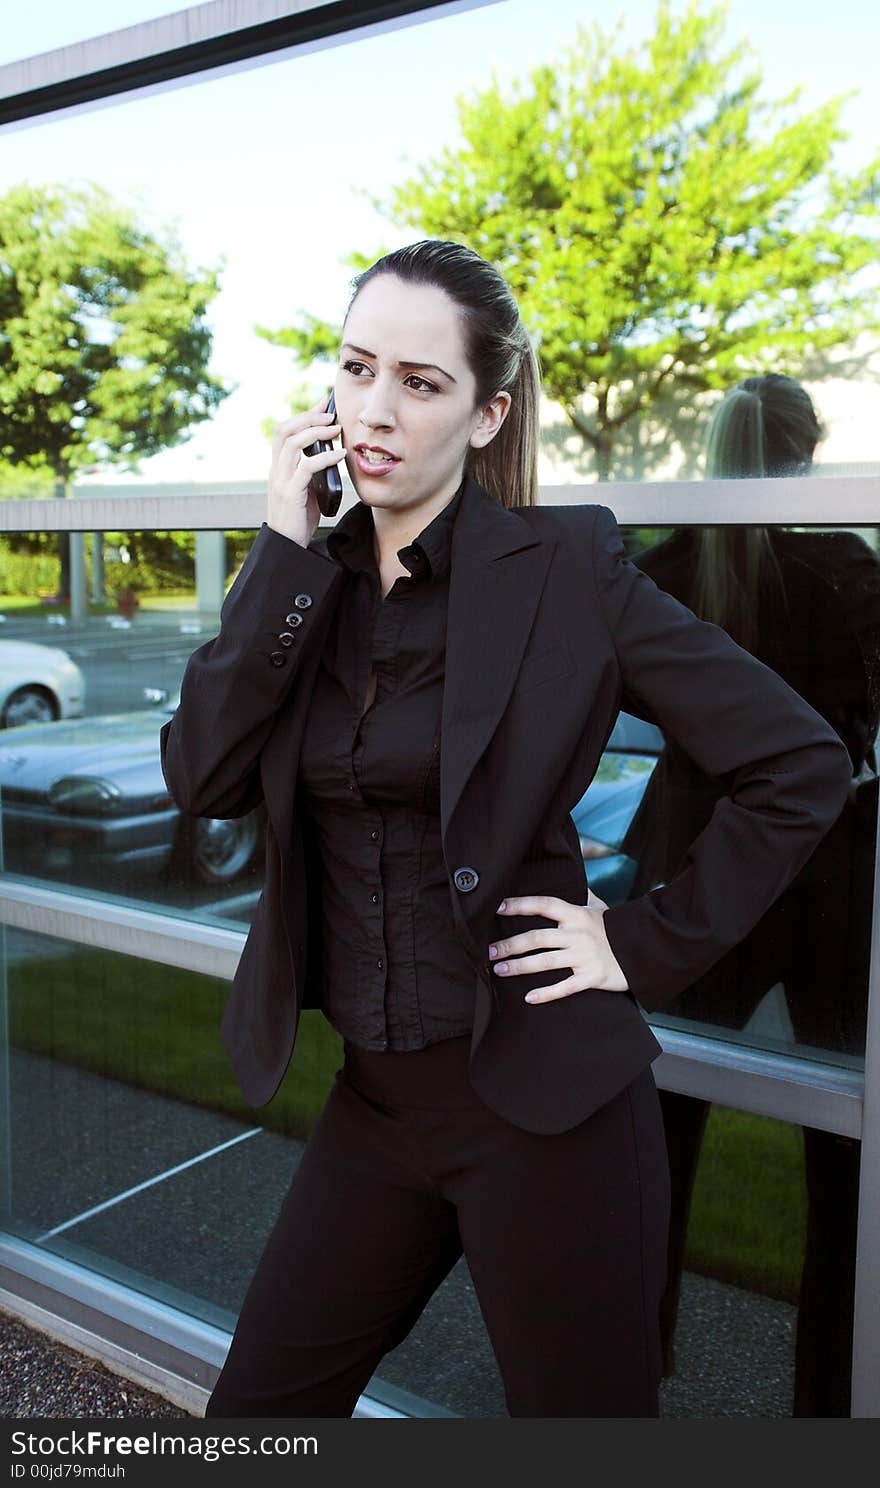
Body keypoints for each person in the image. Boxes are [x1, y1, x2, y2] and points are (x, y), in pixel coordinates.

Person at [160, 247, 852, 1419]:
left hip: (550, 1114)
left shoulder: (565, 572)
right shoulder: (302, 587)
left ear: (486, 415)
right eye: (355, 367)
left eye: (420, 384)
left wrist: (636, 943)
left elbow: (797, 763)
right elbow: (205, 775)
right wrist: (280, 547)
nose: (373, 408)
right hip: (374, 1112)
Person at [621, 372, 880, 1415]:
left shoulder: (664, 565)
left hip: (696, 867)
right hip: (829, 872)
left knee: (656, 1128)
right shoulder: (845, 569)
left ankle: (623, 1375)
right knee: (846, 1149)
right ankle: (831, 1403)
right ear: (806, 454)